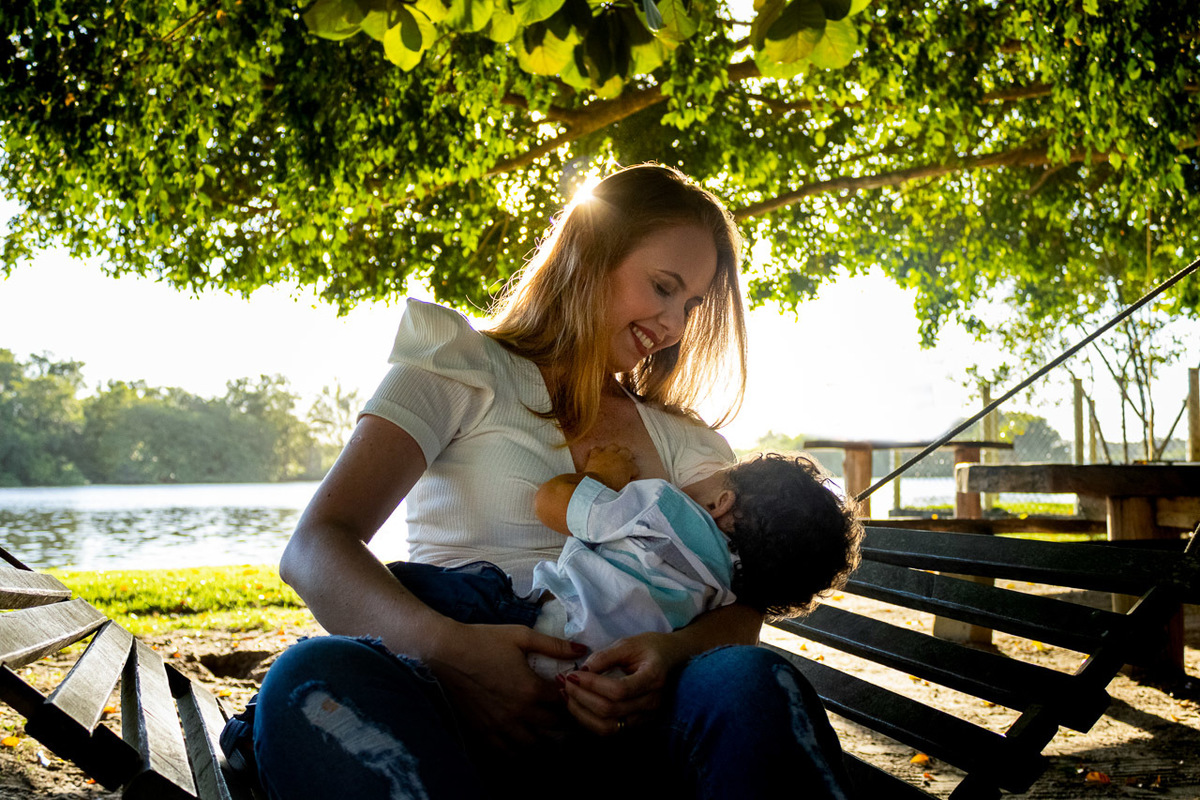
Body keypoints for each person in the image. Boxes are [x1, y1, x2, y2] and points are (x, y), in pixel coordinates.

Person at [249, 164, 855, 800]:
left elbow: (739, 614)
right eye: (663, 286)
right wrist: (454, 655)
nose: (675, 323)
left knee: (748, 681)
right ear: (593, 253)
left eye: (692, 304)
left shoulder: (693, 443)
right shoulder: (457, 364)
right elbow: (316, 546)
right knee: (313, 678)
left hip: (625, 730)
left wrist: (664, 656)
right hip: (446, 706)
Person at [390, 444, 862, 680]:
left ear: (721, 502)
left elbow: (552, 503)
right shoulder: (722, 595)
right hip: (590, 675)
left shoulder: (663, 508)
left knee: (397, 584)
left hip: (535, 618)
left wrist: (599, 474)